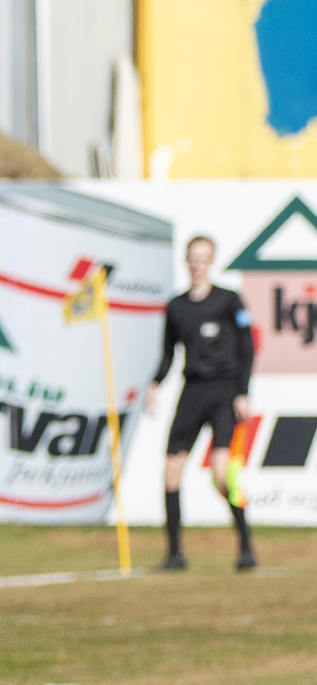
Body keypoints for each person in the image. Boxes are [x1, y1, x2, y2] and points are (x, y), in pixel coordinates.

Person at [145, 235, 257, 571]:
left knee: (222, 474)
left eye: (203, 257)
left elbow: (247, 347)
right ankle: (175, 553)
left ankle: (245, 545)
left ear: (211, 261)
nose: (197, 263)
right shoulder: (176, 306)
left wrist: (242, 391)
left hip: (223, 391)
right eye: (192, 257)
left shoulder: (229, 300)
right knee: (171, 472)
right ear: (186, 260)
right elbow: (168, 352)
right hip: (191, 392)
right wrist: (155, 383)